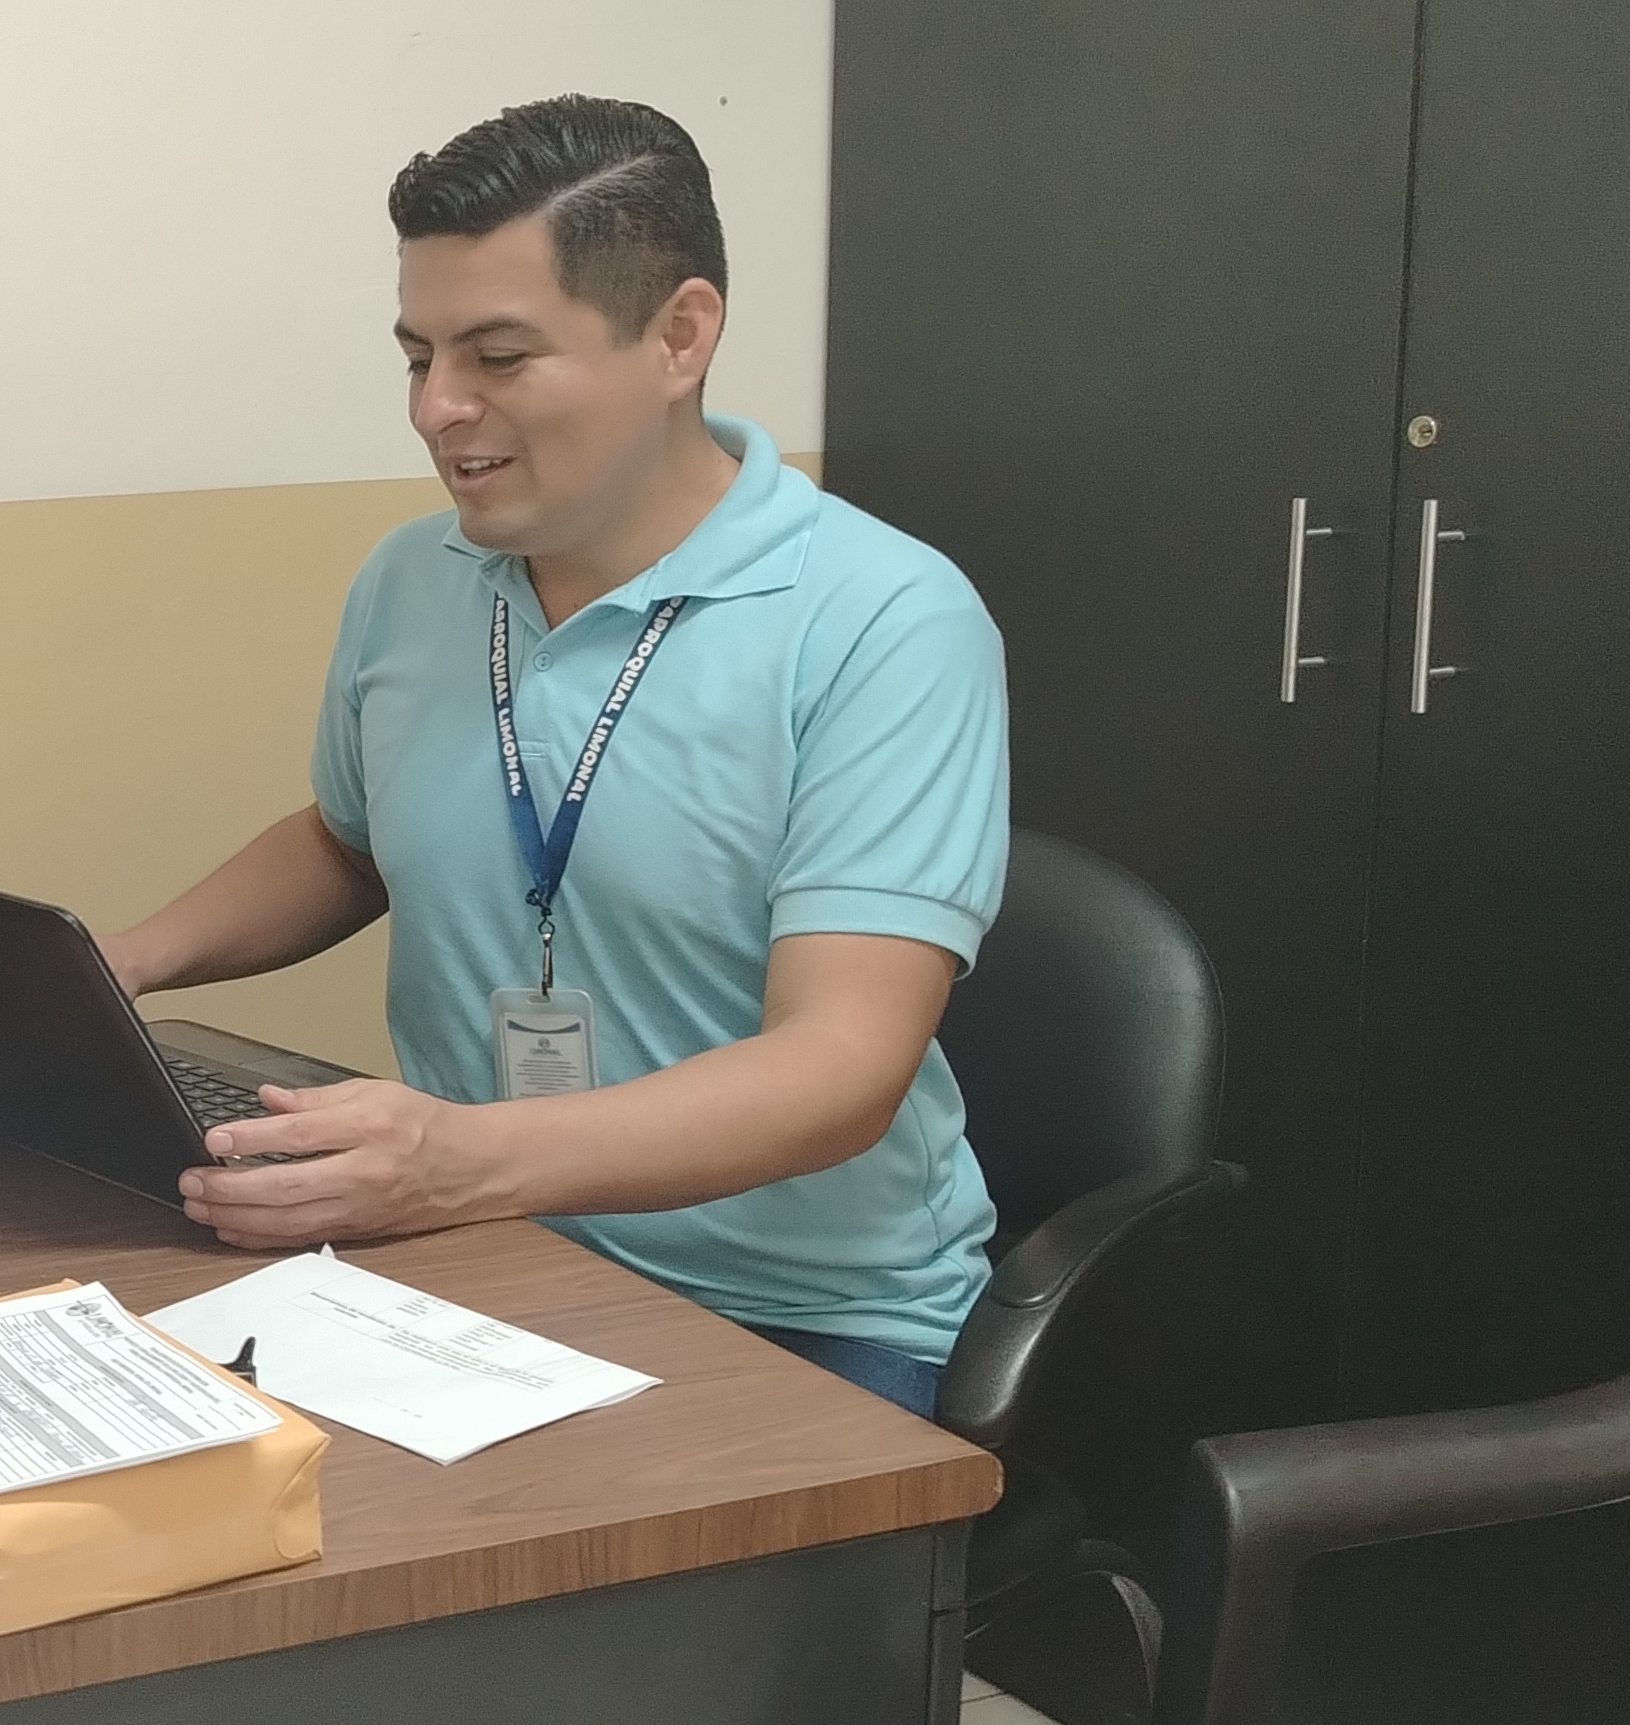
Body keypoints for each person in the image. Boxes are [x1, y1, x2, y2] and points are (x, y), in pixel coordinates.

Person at [100, 97, 1008, 1413]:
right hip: (484, 1258)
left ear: (679, 336)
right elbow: (347, 842)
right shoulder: (416, 577)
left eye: (499, 356)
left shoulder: (882, 618)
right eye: (418, 356)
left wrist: (456, 1159)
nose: (438, 407)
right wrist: (118, 963)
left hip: (790, 1311)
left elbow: (840, 1069)